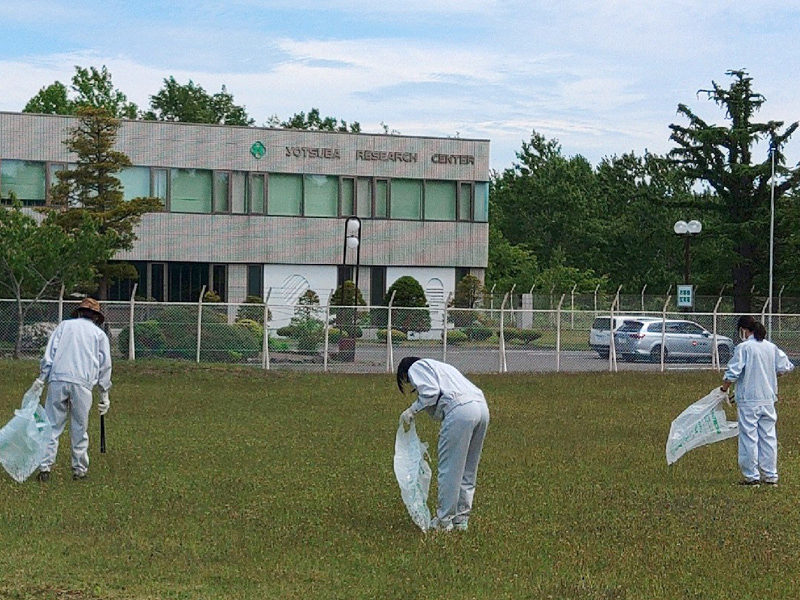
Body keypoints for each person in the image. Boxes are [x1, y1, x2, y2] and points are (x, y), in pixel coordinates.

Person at [397, 357, 490, 532]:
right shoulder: (441, 367)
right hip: (481, 408)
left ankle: (443, 521)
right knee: (468, 468)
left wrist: (412, 410)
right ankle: (461, 520)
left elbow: (430, 392)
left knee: (450, 469)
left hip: (460, 410)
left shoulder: (416, 367)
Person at [32, 298, 112, 482]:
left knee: (51, 426)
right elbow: (104, 365)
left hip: (58, 379)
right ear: (96, 316)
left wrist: (42, 378)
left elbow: (49, 354)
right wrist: (104, 393)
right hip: (83, 383)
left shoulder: (64, 326)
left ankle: (45, 468)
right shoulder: (99, 335)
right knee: (79, 428)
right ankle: (79, 470)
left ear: (79, 312)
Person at [720, 315, 794, 486]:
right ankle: (770, 475)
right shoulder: (771, 347)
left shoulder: (744, 348)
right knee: (768, 437)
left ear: (744, 330)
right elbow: (785, 367)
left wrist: (724, 389)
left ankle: (751, 476)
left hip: (749, 400)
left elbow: (733, 372)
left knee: (749, 437)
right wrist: (769, 376)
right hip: (768, 398)